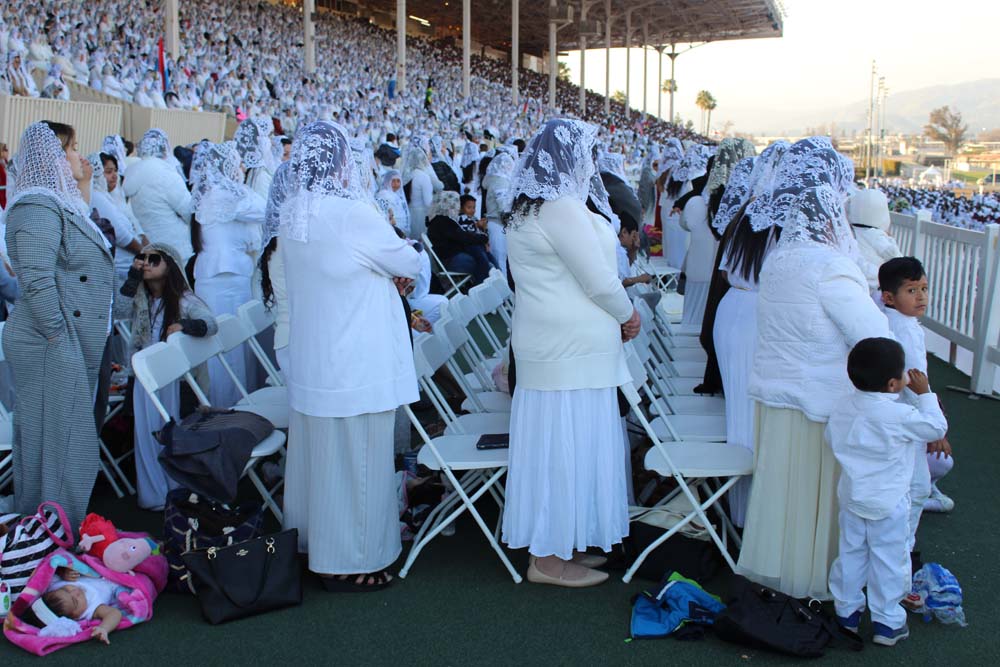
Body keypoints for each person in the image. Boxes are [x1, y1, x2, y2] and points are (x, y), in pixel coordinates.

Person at [279, 121, 421, 591]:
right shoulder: (351, 212)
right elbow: (408, 261)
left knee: (318, 463)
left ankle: (315, 546)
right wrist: (398, 264)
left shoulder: (294, 209)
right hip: (356, 356)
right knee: (360, 464)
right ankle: (355, 561)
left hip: (316, 355)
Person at [501, 119, 640, 588]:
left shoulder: (534, 208)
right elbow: (597, 278)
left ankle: (566, 541)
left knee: (570, 449)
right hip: (567, 351)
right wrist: (627, 314)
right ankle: (547, 559)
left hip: (562, 348)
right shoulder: (559, 207)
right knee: (562, 451)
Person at [738, 180, 892, 600]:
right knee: (815, 497)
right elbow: (873, 334)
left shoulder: (778, 259)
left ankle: (778, 574)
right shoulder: (831, 267)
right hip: (819, 400)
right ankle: (817, 580)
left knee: (783, 492)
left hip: (775, 393)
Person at [2, 121, 114, 529]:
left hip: (67, 338)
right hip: (50, 341)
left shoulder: (55, 200)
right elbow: (36, 280)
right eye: (71, 149)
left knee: (64, 445)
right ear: (51, 154)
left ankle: (54, 531)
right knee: (59, 445)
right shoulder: (34, 205)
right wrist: (58, 336)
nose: (77, 156)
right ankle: (49, 535)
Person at [826, 338, 947, 646]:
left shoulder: (843, 406)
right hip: (889, 502)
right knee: (889, 561)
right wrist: (925, 394)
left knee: (851, 555)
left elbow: (830, 439)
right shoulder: (900, 415)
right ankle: (887, 623)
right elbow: (936, 428)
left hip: (852, 498)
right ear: (894, 384)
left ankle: (846, 613)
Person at [117, 243, 218, 510]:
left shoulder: (184, 299)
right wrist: (133, 276)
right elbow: (117, 311)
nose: (146, 262)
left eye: (154, 259)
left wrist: (183, 326)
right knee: (147, 437)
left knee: (173, 432)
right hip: (144, 379)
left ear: (170, 265)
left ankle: (179, 491)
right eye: (142, 258)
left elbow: (210, 323)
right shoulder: (140, 300)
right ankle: (154, 496)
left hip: (175, 379)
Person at [878, 257, 955, 533]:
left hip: (900, 414)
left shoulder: (898, 320)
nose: (921, 296)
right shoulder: (903, 329)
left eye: (924, 288)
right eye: (911, 291)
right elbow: (912, 382)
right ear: (888, 296)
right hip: (906, 417)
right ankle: (902, 548)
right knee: (916, 486)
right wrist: (933, 428)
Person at [190, 141, 265, 409]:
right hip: (226, 279)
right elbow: (263, 210)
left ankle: (238, 405)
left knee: (236, 345)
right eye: (238, 162)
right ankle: (230, 409)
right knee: (229, 347)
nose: (243, 168)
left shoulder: (217, 195)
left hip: (224, 277)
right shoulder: (224, 195)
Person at [122, 129, 195, 262]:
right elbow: (188, 211)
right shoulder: (165, 173)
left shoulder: (130, 172)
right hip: (173, 247)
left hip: (146, 244)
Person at [427, 191, 496, 285]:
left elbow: (462, 237)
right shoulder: (442, 222)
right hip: (451, 261)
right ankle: (484, 287)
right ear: (448, 204)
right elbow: (463, 237)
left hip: (452, 258)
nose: (458, 207)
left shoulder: (440, 220)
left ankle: (487, 284)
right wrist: (483, 238)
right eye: (456, 203)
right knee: (485, 263)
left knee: (482, 255)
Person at [41, 567, 124, 645]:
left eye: (66, 590)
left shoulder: (55, 586)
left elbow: (53, 566)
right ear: (75, 617)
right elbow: (114, 613)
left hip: (96, 566)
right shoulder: (90, 609)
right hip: (117, 578)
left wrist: (63, 572)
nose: (75, 592)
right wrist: (104, 628)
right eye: (75, 601)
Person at [848, 189, 902, 293]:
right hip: (876, 282)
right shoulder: (875, 235)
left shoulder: (850, 231)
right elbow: (894, 256)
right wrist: (890, 239)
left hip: (857, 279)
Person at [234, 117, 280, 200]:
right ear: (260, 141)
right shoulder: (260, 177)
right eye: (269, 136)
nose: (272, 142)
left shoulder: (262, 171)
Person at [375, 169, 411, 236]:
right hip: (391, 229)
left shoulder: (397, 195)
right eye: (393, 181)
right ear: (387, 181)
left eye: (398, 181)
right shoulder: (383, 194)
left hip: (400, 229)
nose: (396, 184)